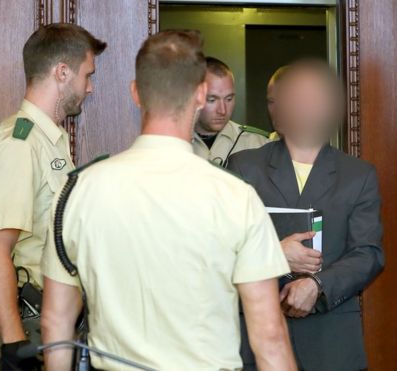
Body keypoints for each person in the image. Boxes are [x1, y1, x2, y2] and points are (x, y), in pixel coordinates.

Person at [40, 30, 297, 371]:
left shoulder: (77, 190)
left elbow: (56, 324)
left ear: (135, 93)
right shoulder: (235, 197)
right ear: (201, 94)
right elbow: (269, 336)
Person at [228, 59, 384, 371]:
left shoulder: (358, 174)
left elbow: (368, 254)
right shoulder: (244, 167)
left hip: (331, 339)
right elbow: (218, 248)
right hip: (257, 337)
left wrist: (317, 285)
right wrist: (276, 254)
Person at [0, 23, 106, 371]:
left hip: (54, 324)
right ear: (62, 72)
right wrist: (14, 345)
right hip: (29, 326)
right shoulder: (18, 146)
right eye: (87, 75)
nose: (90, 87)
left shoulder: (51, 141)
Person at [193, 57, 270, 166]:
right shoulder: (173, 143)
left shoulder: (258, 145)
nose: (222, 110)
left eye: (229, 99)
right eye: (212, 100)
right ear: (193, 97)